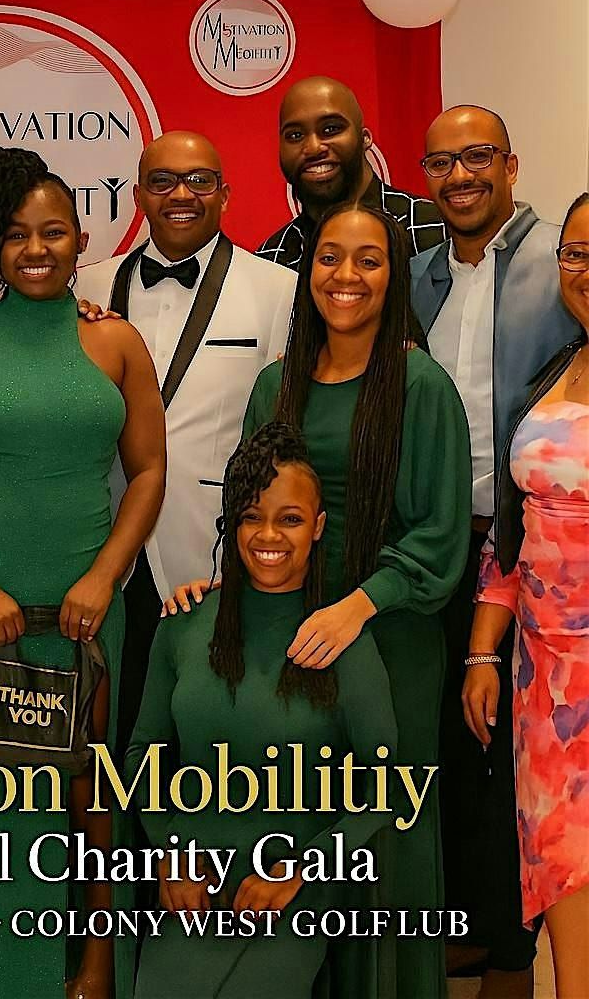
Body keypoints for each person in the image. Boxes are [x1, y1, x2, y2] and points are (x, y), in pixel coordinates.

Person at [0, 146, 165, 999]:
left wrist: (106, 578)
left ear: (83, 237)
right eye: (16, 235)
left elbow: (148, 473)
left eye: (53, 231)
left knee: (86, 785)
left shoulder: (115, 340)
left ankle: (90, 966)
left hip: (85, 606)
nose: (36, 249)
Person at [241, 203, 471, 999]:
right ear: (308, 272)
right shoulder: (275, 385)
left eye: (369, 260)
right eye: (330, 257)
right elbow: (250, 512)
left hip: (389, 637)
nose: (346, 275)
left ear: (394, 276)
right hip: (294, 639)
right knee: (297, 830)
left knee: (384, 842)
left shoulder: (421, 385)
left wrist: (356, 607)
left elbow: (441, 536)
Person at [128, 422, 397, 999]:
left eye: (290, 519)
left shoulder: (341, 640)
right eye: (252, 517)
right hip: (189, 889)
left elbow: (388, 786)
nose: (269, 535)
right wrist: (169, 854)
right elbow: (141, 756)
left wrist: (304, 869)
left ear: (318, 526)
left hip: (291, 896)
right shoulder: (184, 624)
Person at [411, 105, 579, 994]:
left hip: (534, 546)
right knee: (462, 744)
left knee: (533, 766)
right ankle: (479, 931)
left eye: (477, 157)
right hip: (450, 550)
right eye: (441, 163)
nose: (460, 176)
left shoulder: (561, 262)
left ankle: (516, 955)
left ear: (511, 165)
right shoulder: (417, 274)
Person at [76, 130, 296, 753]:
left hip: (212, 548)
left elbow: (282, 434)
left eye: (199, 180)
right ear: (139, 195)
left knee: (205, 731)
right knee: (107, 727)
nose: (181, 194)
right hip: (102, 543)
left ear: (225, 193)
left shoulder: (278, 289)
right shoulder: (85, 287)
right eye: (164, 180)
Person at [463, 192, 589, 999]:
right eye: (576, 253)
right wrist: (483, 649)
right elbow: (511, 535)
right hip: (543, 690)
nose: (586, 271)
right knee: (564, 880)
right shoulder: (557, 369)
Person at [257, 75, 445, 271]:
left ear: (365, 138)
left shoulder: (436, 229)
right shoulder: (269, 262)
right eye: (295, 135)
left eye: (330, 129)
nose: (313, 148)